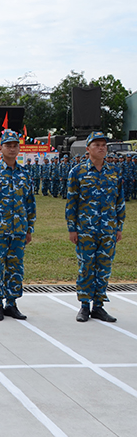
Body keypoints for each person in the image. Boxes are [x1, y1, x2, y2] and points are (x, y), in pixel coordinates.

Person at [66, 131, 125, 323]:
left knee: (104, 268)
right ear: (88, 148)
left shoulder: (114, 172)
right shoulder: (77, 172)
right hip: (85, 229)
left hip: (108, 229)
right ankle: (84, 306)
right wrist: (72, 228)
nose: (101, 148)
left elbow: (119, 202)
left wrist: (119, 226)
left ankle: (98, 306)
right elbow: (72, 203)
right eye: (97, 144)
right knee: (86, 267)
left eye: (104, 145)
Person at [0, 130, 36, 321]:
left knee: (16, 267)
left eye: (15, 145)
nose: (12, 149)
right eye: (8, 145)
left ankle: (12, 304)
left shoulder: (24, 173)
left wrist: (29, 229)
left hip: (19, 229)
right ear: (0, 148)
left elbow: (30, 203)